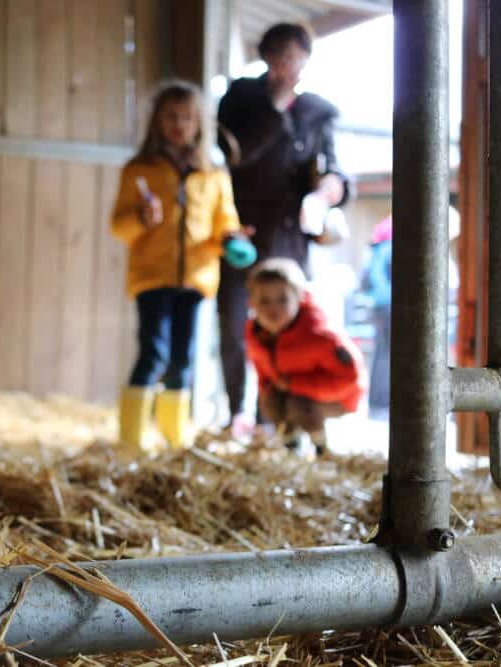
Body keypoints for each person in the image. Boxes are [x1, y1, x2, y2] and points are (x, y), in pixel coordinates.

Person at [216, 23, 352, 435]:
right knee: (235, 324)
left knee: (287, 329)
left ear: (305, 59)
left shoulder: (317, 111)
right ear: (265, 57)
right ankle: (236, 411)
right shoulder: (241, 98)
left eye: (292, 57)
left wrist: (331, 190)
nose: (284, 66)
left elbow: (334, 170)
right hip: (243, 232)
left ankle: (270, 419)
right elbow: (233, 155)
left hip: (292, 239)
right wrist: (274, 107)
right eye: (276, 56)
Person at [110, 81, 242, 452]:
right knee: (154, 353)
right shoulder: (139, 170)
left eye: (186, 117)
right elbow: (119, 227)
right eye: (170, 116)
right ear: (157, 121)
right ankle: (131, 440)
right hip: (152, 277)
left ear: (199, 123)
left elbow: (224, 222)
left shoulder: (213, 174)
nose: (178, 124)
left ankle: (174, 439)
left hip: (196, 279)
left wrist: (233, 239)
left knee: (183, 360)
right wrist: (142, 217)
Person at [245, 258, 366, 455]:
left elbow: (350, 378)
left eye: (282, 299)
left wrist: (295, 384)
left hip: (339, 397)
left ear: (299, 298)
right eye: (264, 301)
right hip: (290, 389)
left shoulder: (319, 334)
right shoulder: (255, 332)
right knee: (270, 401)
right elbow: (261, 369)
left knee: (298, 405)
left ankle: (322, 449)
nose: (272, 309)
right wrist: (268, 389)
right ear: (251, 303)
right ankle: (291, 447)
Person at [362, 216, 392, 417]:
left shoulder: (378, 249)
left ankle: (377, 403)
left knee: (382, 353)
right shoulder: (389, 249)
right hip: (389, 306)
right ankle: (381, 404)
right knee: (388, 355)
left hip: (380, 307)